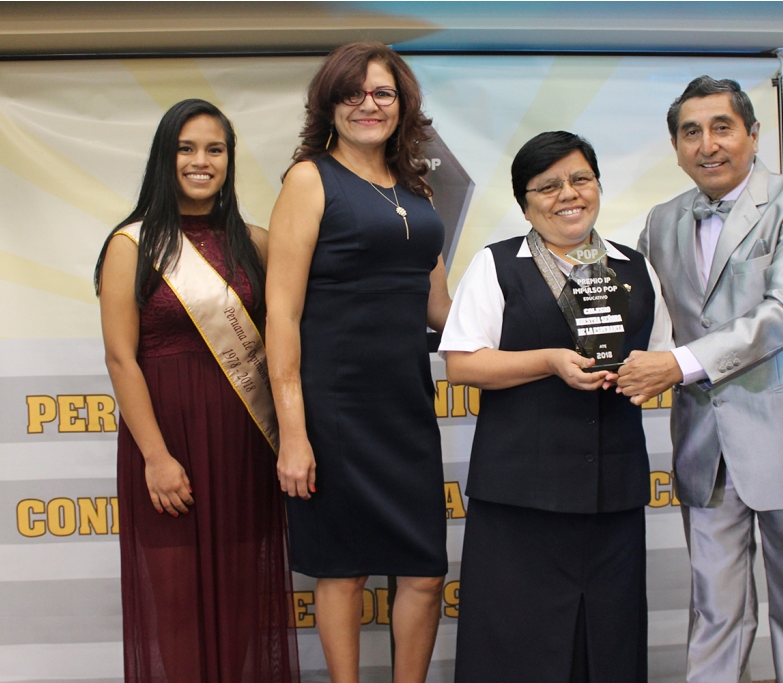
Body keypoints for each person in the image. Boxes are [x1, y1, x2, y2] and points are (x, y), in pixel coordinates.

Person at [617, 76, 783, 683]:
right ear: (675, 147)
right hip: (705, 448)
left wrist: (677, 365)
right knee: (714, 611)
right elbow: (647, 318)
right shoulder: (661, 220)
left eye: (722, 128)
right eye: (691, 132)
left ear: (754, 135)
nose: (707, 144)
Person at [441, 131, 674, 683]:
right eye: (547, 186)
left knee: (609, 638)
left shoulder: (635, 268)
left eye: (580, 179)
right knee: (516, 641)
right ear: (525, 204)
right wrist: (548, 361)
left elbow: (661, 358)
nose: (568, 194)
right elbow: (463, 365)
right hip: (520, 494)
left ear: (598, 187)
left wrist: (645, 376)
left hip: (612, 492)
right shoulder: (497, 265)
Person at [266, 43, 450, 683]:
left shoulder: (418, 190)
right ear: (329, 104)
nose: (368, 105)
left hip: (406, 408)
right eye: (353, 92)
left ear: (402, 105)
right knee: (342, 572)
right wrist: (294, 434)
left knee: (425, 573)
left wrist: (536, 317)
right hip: (334, 413)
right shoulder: (309, 179)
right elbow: (282, 315)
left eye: (383, 93)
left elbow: (441, 310)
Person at [95, 99, 298, 683]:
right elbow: (121, 358)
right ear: (165, 157)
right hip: (167, 443)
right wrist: (155, 458)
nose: (200, 161)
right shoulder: (131, 245)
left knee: (240, 601)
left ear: (230, 160)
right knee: (177, 604)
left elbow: (290, 332)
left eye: (215, 149)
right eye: (186, 148)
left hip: (242, 443)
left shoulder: (257, 244)